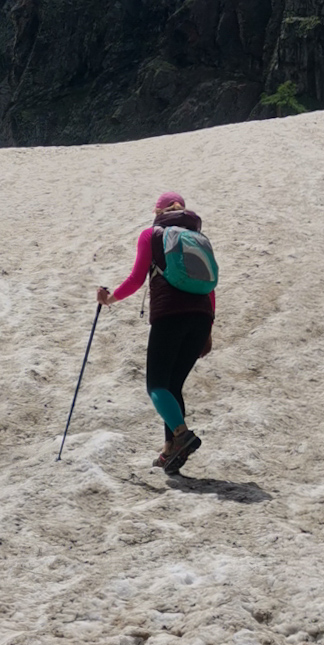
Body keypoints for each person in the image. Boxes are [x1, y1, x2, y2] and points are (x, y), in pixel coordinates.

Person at [97, 191, 214, 473]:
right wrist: (208, 329)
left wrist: (109, 299)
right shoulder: (199, 239)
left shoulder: (153, 235)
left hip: (170, 316)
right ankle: (169, 449)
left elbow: (137, 278)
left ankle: (183, 437)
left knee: (157, 386)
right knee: (173, 387)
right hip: (200, 318)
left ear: (158, 211)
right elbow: (209, 287)